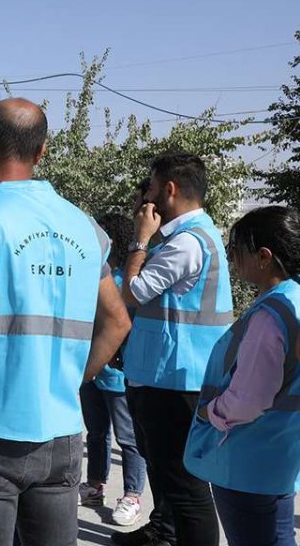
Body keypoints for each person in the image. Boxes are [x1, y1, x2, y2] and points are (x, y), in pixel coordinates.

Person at [0, 98, 132, 546]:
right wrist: (73, 378)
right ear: (42, 152)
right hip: (63, 434)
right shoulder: (85, 227)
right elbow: (117, 323)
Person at [117, 152, 232, 546]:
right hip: (171, 375)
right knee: (174, 480)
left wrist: (139, 238)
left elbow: (133, 292)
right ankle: (166, 534)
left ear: (169, 189)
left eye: (150, 188)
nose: (145, 198)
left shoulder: (187, 243)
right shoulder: (194, 236)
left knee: (186, 489)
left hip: (176, 380)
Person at [185, 206, 300, 546]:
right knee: (278, 536)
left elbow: (249, 400)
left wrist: (210, 411)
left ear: (264, 256)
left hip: (245, 458)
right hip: (279, 453)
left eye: (237, 251)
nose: (233, 259)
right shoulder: (292, 301)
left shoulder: (271, 315)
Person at [79, 212, 148, 526]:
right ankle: (95, 485)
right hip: (89, 368)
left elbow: (127, 327)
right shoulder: (91, 273)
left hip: (118, 376)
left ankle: (132, 495)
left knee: (128, 438)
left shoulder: (124, 282)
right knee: (96, 433)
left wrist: (116, 357)